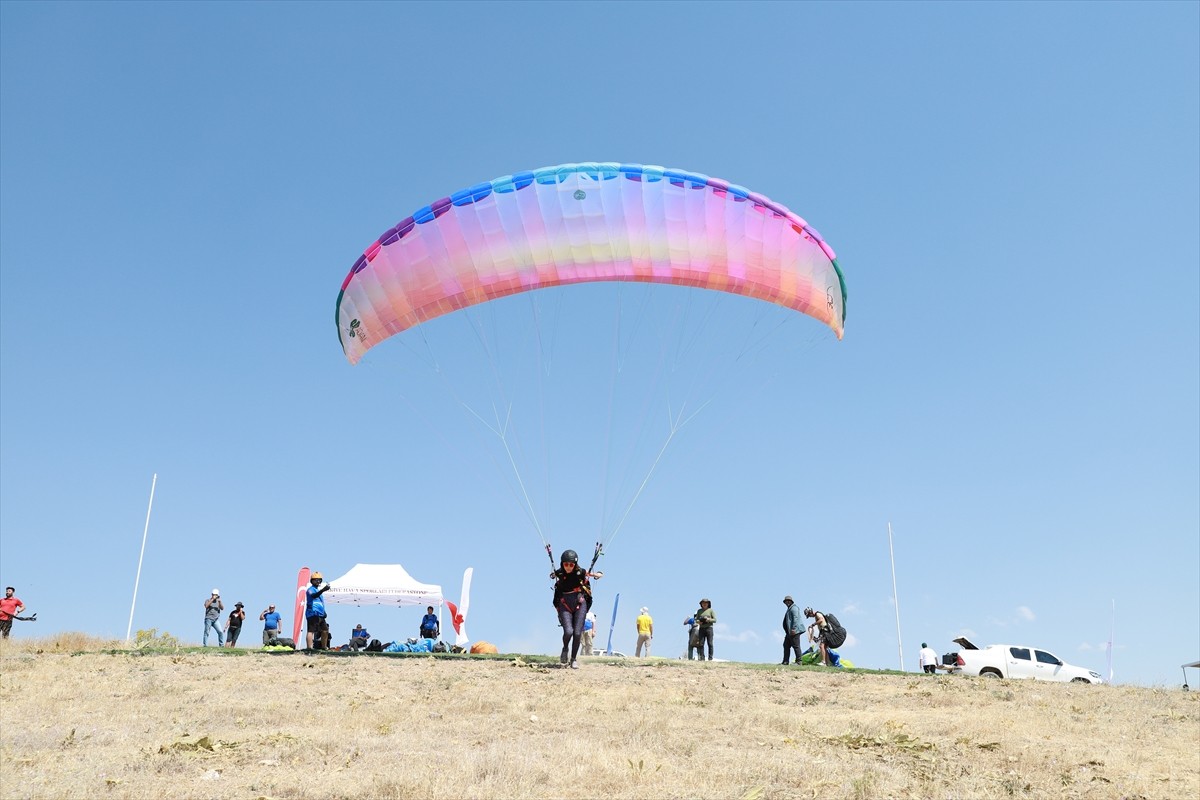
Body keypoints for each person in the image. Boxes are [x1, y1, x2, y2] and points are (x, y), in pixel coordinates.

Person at [551, 549, 594, 669]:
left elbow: (590, 574)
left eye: (571, 564)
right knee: (568, 632)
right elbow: (554, 574)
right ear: (562, 564)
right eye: (566, 564)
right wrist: (553, 575)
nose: (568, 567)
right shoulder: (559, 573)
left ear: (575, 564)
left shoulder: (580, 572)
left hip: (580, 603)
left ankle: (573, 659)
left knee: (577, 633)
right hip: (565, 604)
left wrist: (598, 574)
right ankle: (565, 648)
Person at [305, 572, 331, 650]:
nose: (318, 581)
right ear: (312, 581)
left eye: (319, 580)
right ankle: (309, 648)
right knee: (311, 630)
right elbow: (314, 595)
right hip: (312, 613)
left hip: (320, 614)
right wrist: (323, 590)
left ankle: (324, 647)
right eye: (316, 580)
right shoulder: (310, 589)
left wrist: (324, 612)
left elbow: (320, 603)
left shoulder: (318, 591)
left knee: (325, 630)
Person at [781, 596, 803, 665]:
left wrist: (793, 628)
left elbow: (795, 618)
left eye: (788, 601)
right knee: (786, 645)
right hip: (789, 632)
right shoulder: (790, 608)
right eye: (786, 601)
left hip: (794, 631)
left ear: (791, 601)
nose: (787, 602)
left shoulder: (794, 608)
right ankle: (785, 661)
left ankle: (799, 661)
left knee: (796, 646)